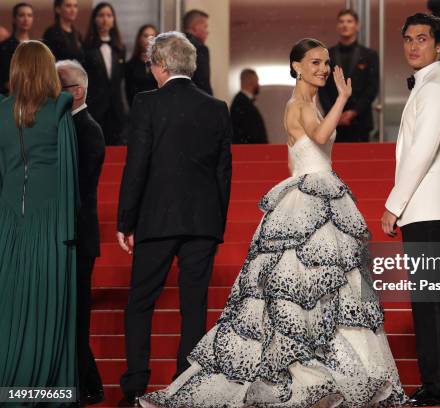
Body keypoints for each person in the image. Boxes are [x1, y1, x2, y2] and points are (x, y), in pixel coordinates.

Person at [138, 38, 408, 408]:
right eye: (315, 62)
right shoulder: (298, 104)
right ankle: (305, 374)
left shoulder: (308, 104)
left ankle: (335, 374)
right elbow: (321, 136)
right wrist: (344, 97)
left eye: (326, 63)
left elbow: (294, 159)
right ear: (296, 66)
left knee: (333, 289)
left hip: (312, 195)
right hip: (310, 201)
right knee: (300, 293)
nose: (324, 69)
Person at [115, 31, 232, 407]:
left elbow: (136, 166)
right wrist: (216, 223)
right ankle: (188, 385)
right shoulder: (216, 108)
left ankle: (135, 385)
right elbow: (223, 173)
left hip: (157, 219)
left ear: (161, 65)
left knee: (140, 302)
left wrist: (125, 221)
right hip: (202, 222)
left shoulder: (146, 104)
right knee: (193, 304)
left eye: (151, 63)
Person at [381, 13, 440, 407]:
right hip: (430, 208)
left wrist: (393, 204)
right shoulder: (429, 86)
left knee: (429, 304)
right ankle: (436, 388)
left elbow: (421, 153)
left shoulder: (434, 90)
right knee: (427, 302)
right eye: (408, 39)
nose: (414, 46)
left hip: (428, 209)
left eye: (423, 39)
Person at [0, 40, 78, 395]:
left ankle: (9, 385)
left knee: (10, 307)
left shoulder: (1, 112)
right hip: (52, 227)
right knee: (47, 311)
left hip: (8, 225)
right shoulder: (61, 108)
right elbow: (69, 174)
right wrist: (68, 228)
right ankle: (47, 390)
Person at [56, 59, 106, 406]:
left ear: (78, 91)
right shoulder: (65, 125)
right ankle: (83, 381)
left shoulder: (87, 128)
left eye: (59, 87)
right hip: (67, 236)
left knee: (75, 314)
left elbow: (80, 188)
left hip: (77, 236)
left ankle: (87, 383)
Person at [319, 9, 379, 143]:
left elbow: (372, 88)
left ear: (357, 26)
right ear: (337, 26)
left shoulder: (369, 55)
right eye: (341, 22)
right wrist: (335, 113)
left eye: (349, 21)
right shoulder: (326, 55)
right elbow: (322, 87)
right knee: (331, 162)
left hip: (360, 120)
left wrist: (354, 112)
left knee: (361, 163)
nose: (345, 25)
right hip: (332, 121)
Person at [83, 2, 128, 145]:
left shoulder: (119, 48)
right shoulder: (87, 47)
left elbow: (119, 79)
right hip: (95, 106)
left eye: (109, 15)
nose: (105, 19)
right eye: (101, 15)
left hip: (116, 108)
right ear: (94, 19)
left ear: (113, 20)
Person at [0, 3, 34, 95]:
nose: (26, 19)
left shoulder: (36, 46)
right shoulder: (4, 47)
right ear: (14, 19)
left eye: (29, 15)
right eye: (21, 15)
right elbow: (4, 77)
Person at [230, 68, 268, 144]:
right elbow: (252, 133)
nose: (258, 85)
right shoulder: (242, 103)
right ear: (251, 82)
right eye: (257, 81)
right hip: (250, 153)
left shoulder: (240, 102)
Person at [125, 24, 158, 106]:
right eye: (145, 36)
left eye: (152, 36)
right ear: (139, 39)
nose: (149, 40)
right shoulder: (130, 65)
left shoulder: (162, 64)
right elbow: (128, 93)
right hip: (138, 109)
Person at [183, 9, 213, 95]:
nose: (207, 31)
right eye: (205, 26)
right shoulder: (200, 48)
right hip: (197, 100)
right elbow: (203, 81)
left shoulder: (172, 45)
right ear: (196, 27)